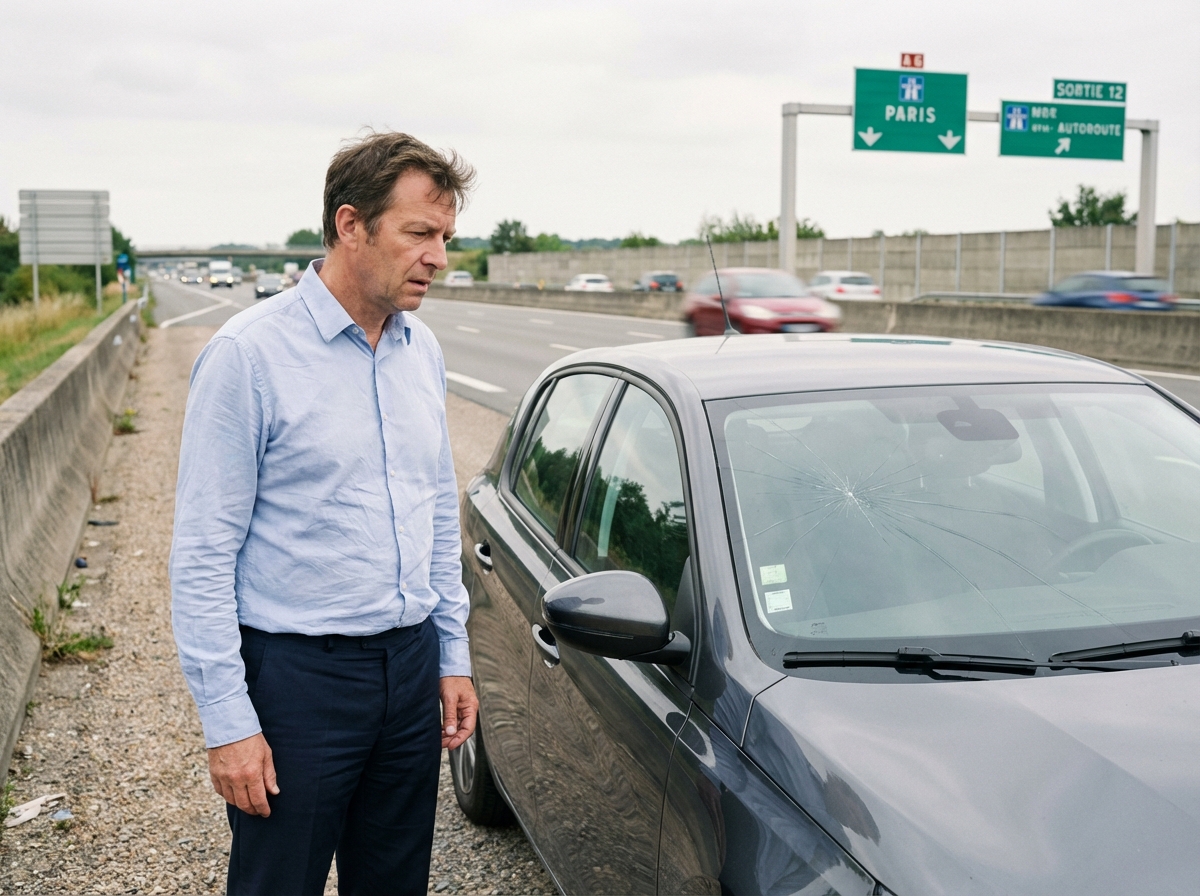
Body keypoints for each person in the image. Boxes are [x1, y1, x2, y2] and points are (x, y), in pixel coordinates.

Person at [170, 132, 479, 895]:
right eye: (418, 233)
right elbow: (202, 554)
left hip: (407, 674)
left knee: (395, 883)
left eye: (444, 237)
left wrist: (450, 652)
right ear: (351, 225)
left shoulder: (422, 350)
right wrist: (229, 724)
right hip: (298, 681)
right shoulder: (249, 357)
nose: (438, 257)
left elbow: (437, 508)